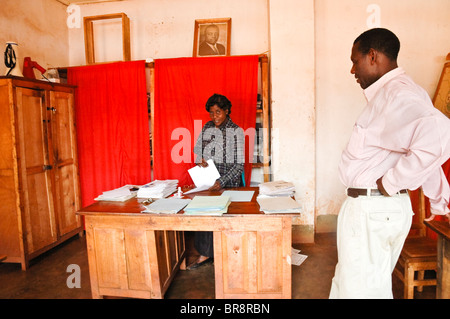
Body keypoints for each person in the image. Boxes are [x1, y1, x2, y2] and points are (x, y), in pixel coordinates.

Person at [329, 28, 450, 298]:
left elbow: (440, 135)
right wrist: (439, 197)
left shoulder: (397, 93)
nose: (352, 70)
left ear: (372, 56)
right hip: (376, 208)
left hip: (373, 206)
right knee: (355, 285)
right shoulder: (398, 92)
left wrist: (391, 182)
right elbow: (418, 146)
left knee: (361, 292)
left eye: (354, 60)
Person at [187, 93, 244, 270]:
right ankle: (205, 254)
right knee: (203, 213)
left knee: (226, 220)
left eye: (218, 112)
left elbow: (239, 166)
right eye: (211, 113)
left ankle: (229, 255)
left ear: (226, 111)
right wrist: (200, 159)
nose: (214, 117)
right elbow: (198, 152)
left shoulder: (237, 132)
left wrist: (222, 181)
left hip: (230, 183)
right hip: (208, 181)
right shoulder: (207, 128)